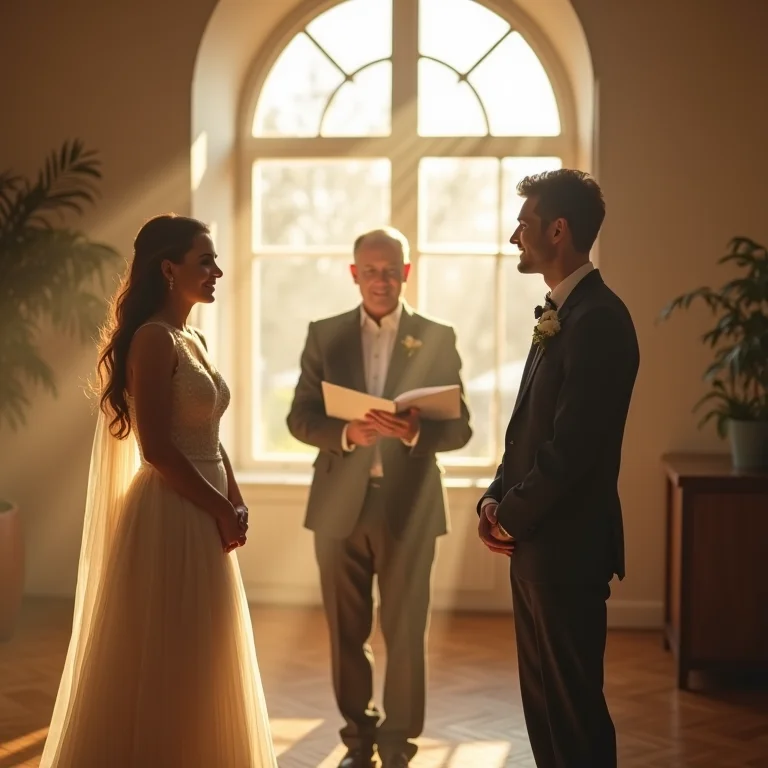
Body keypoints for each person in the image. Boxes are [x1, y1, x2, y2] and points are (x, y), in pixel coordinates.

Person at [40, 214, 277, 767]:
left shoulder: (192, 336)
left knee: (206, 655)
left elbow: (208, 437)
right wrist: (221, 506)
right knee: (170, 654)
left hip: (207, 507)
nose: (217, 271)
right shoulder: (151, 338)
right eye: (206, 260)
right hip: (172, 512)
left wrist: (236, 500)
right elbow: (157, 448)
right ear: (169, 269)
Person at [286, 227, 472, 768]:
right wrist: (347, 435)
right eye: (370, 271)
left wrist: (413, 431)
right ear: (354, 275)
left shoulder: (437, 336)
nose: (381, 280)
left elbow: (461, 431)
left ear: (407, 273)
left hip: (409, 510)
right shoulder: (324, 335)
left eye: (391, 270)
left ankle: (398, 746)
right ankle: (358, 740)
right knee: (347, 633)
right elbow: (299, 417)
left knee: (406, 632)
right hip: (338, 508)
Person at [477, 170, 639, 768]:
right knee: (543, 708)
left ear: (558, 229)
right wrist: (492, 500)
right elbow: (527, 427)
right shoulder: (560, 312)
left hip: (568, 547)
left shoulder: (599, 320)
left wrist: (510, 517)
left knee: (574, 714)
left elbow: (571, 449)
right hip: (537, 545)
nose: (515, 234)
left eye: (524, 223)